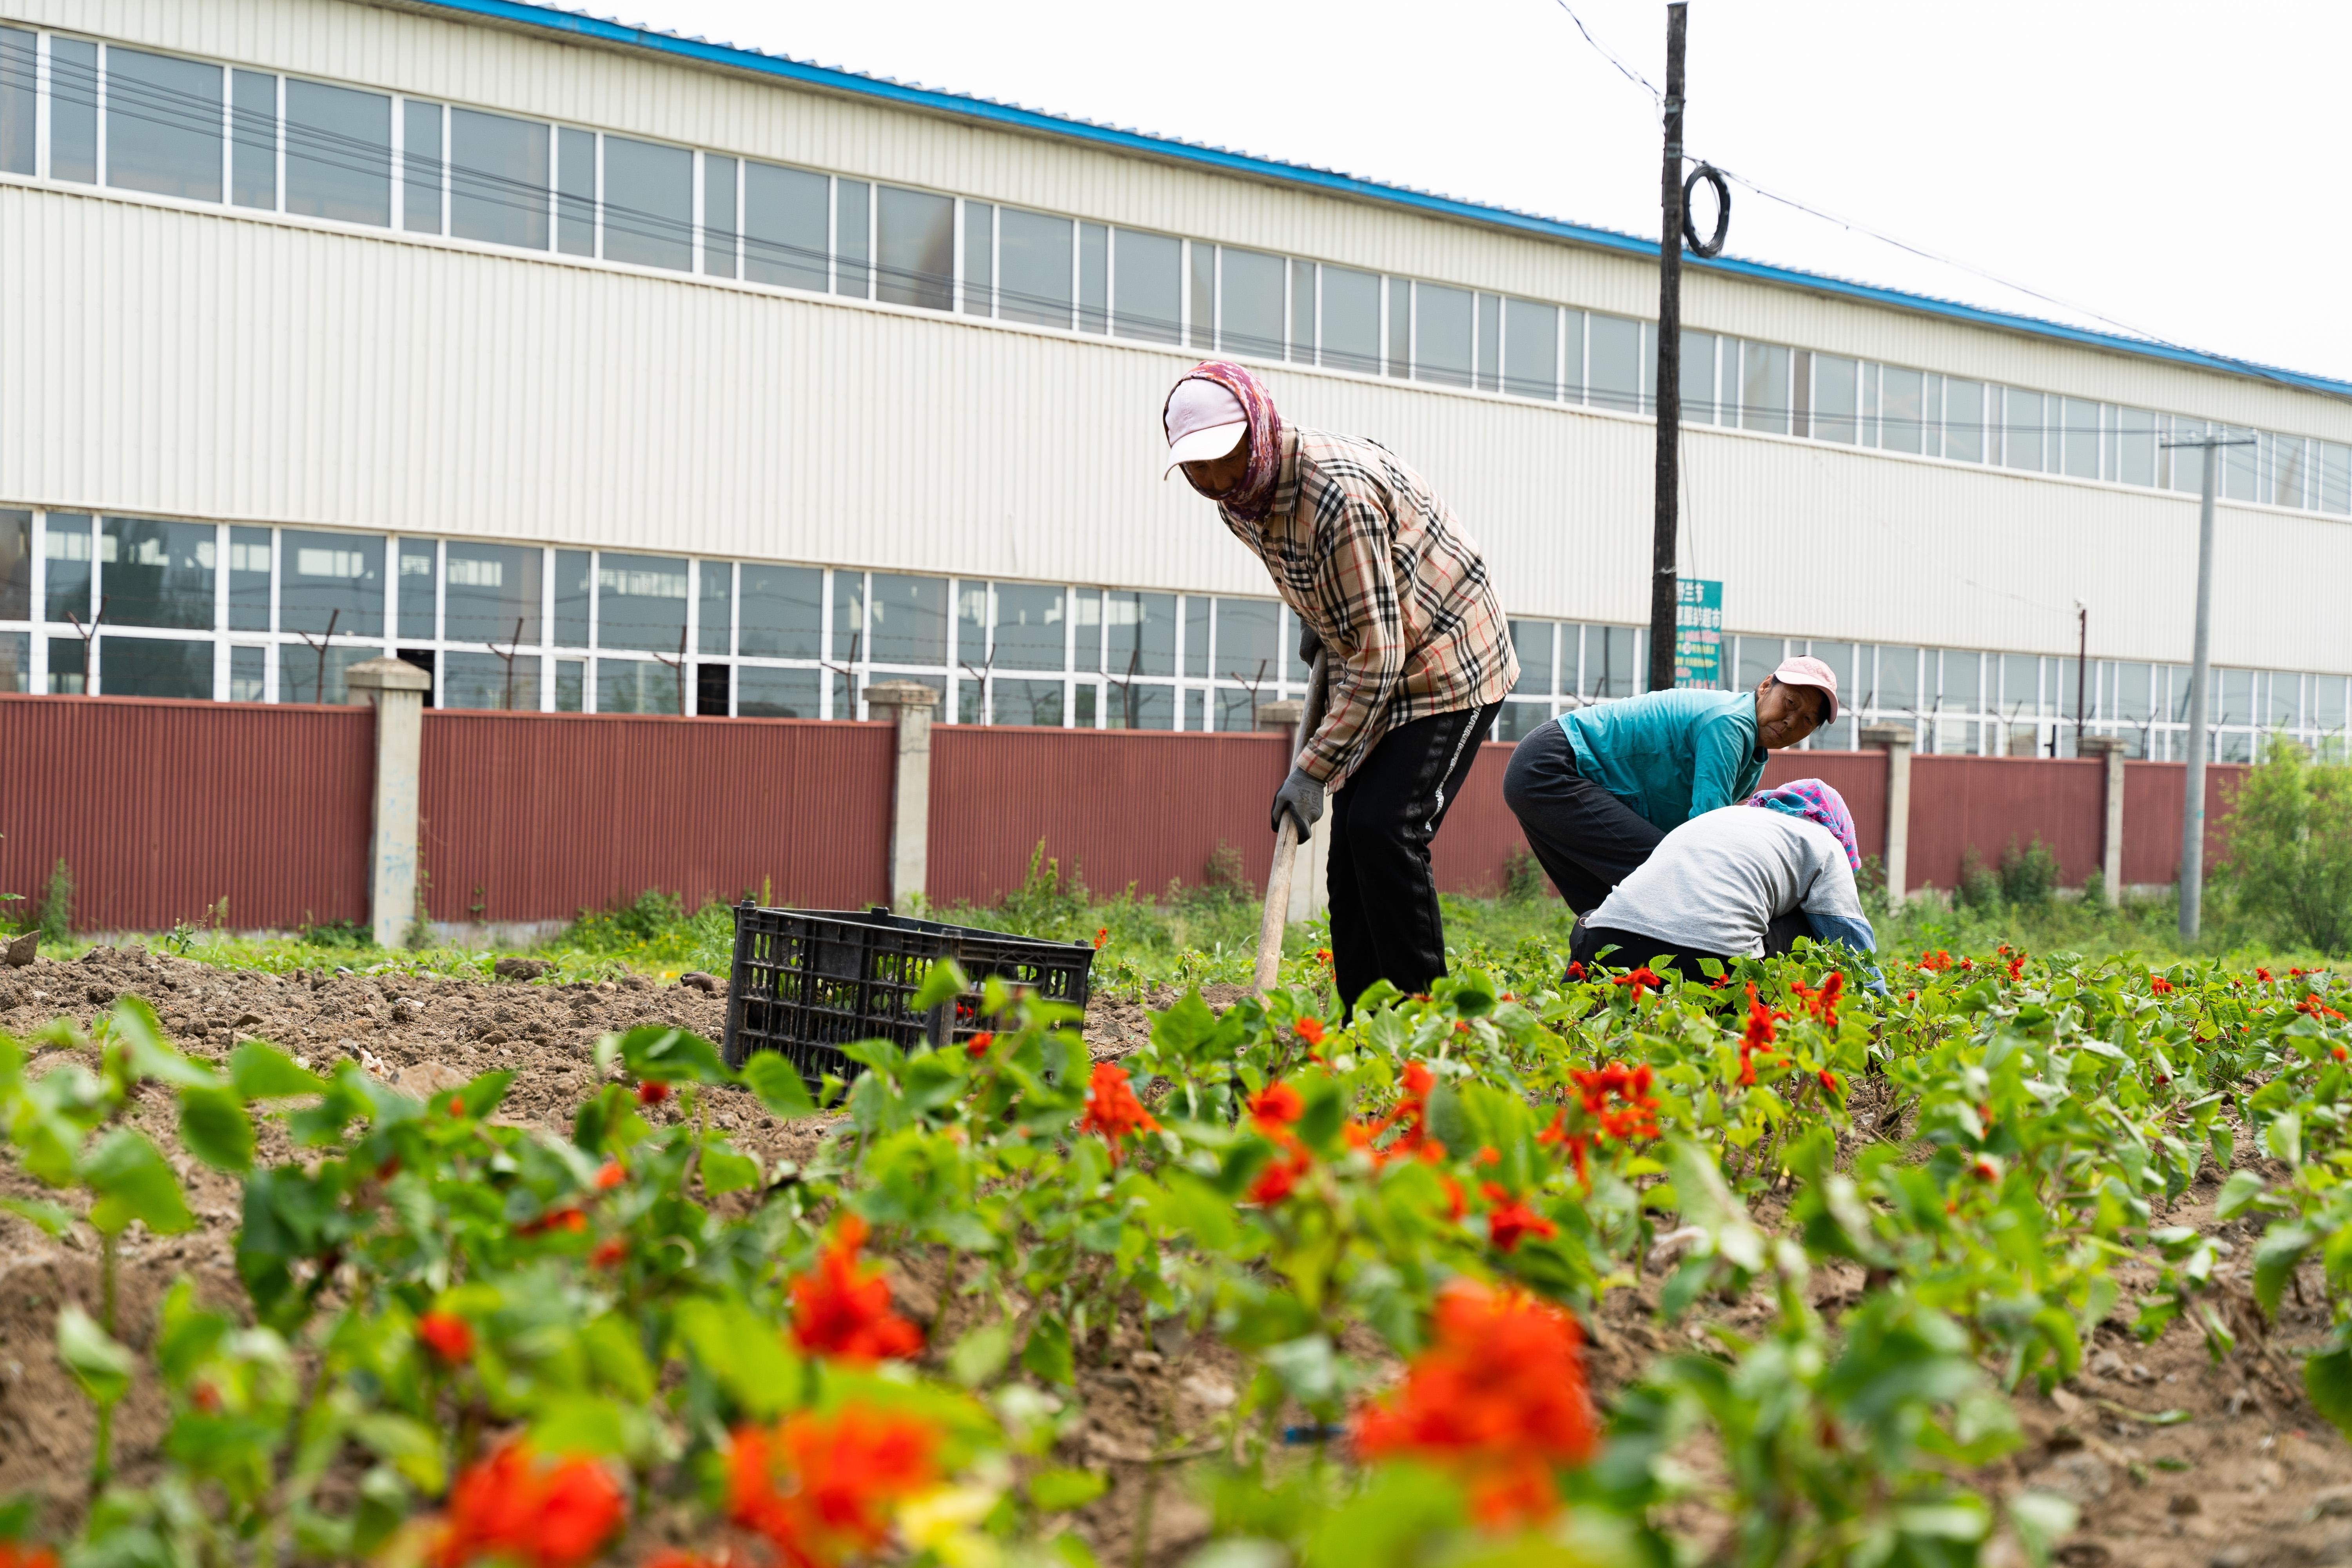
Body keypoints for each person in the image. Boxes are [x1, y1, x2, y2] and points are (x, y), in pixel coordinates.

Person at [1161, 361, 1517, 1008]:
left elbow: (1382, 658)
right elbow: (1314, 577)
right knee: (1349, 857)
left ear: (1258, 430)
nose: (1215, 481)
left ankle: (1426, 1026)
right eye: (1196, 469)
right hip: (1378, 645)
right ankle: (1364, 1025)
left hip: (1449, 657)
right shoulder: (1240, 501)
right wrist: (1319, 619)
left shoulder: (1337, 495)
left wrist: (1312, 767)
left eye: (1225, 459)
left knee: (1387, 831)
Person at [1501, 656, 1838, 917]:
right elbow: (1707, 831)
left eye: (1808, 720)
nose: (1792, 720)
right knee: (1667, 881)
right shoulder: (1730, 724)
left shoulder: (1753, 751)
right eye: (1791, 703)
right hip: (1554, 765)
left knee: (1614, 906)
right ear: (1766, 687)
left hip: (1546, 768)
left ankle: (1602, 997)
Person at [1571, 779, 1878, 976]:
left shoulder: (1722, 817)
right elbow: (1850, 946)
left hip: (1607, 949)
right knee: (1813, 930)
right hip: (1712, 967)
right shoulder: (1825, 841)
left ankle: (1584, 1004)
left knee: (1591, 918)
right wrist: (1876, 1016)